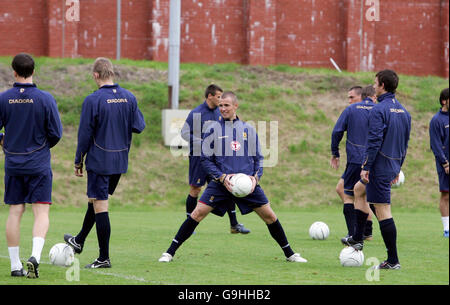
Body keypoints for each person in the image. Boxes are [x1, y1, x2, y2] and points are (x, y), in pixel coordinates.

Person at [158, 91, 307, 263]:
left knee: (270, 217)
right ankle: (169, 253)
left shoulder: (248, 129)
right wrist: (221, 177)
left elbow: (258, 158)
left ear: (235, 106)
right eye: (220, 105)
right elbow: (206, 160)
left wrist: (255, 178)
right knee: (197, 213)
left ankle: (290, 254)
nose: (223, 108)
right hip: (221, 184)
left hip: (247, 184)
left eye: (226, 105)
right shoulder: (212, 129)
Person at [63, 57, 145, 268]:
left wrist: (78, 161)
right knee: (96, 200)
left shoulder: (93, 100)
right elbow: (139, 126)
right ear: (112, 74)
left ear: (95, 75)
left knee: (100, 205)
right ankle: (79, 240)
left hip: (100, 160)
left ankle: (103, 258)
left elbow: (84, 135)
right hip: (119, 161)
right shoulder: (129, 97)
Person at [0, 53, 63, 278]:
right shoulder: (45, 99)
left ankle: (15, 265)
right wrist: (43, 147)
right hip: (39, 164)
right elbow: (56, 133)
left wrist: (4, 142)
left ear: (14, 72)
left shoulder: (4, 98)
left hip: (14, 164)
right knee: (41, 211)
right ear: (34, 71)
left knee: (15, 212)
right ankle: (35, 256)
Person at [344, 69, 411, 270]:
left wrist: (366, 167)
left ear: (382, 85)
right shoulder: (403, 111)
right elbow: (405, 143)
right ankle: (357, 238)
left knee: (383, 211)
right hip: (391, 165)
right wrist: (398, 167)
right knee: (358, 190)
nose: (373, 86)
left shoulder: (378, 110)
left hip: (378, 167)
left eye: (375, 83)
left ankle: (393, 260)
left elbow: (374, 141)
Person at [181, 84, 250, 234]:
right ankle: (189, 224)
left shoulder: (221, 113)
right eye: (219, 97)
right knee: (195, 189)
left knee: (228, 185)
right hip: (199, 157)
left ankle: (234, 225)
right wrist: (204, 142)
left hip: (218, 158)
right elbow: (184, 133)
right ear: (210, 96)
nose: (221, 101)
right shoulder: (196, 113)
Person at [330, 85, 374, 240]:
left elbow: (336, 131)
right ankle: (366, 230)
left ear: (362, 96)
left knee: (349, 194)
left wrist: (335, 153)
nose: (349, 101)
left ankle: (354, 234)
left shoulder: (352, 110)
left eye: (351, 97)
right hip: (374, 161)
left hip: (357, 160)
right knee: (347, 190)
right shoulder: (379, 110)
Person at [429, 88, 449, 238]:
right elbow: (435, 145)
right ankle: (447, 230)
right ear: (444, 101)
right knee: (446, 195)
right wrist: (445, 163)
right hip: (446, 164)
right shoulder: (437, 120)